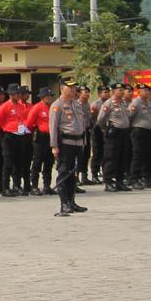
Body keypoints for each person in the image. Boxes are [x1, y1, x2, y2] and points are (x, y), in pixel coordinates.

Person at [50, 78, 90, 217]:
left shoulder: (77, 104)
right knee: (64, 173)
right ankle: (64, 204)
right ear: (62, 88)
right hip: (65, 144)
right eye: (70, 87)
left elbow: (82, 125)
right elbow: (53, 127)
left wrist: (83, 142)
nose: (74, 90)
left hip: (78, 143)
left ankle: (72, 201)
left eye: (74, 87)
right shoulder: (57, 105)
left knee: (74, 174)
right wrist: (54, 146)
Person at [97, 84, 131, 192]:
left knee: (122, 156)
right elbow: (100, 119)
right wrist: (105, 129)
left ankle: (119, 181)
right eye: (120, 90)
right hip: (114, 133)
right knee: (111, 157)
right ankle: (109, 181)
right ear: (113, 91)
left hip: (124, 132)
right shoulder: (109, 103)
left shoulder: (123, 103)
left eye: (123, 90)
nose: (122, 92)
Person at [127, 83, 151, 190]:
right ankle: (134, 178)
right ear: (139, 92)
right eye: (144, 90)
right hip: (139, 131)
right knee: (138, 155)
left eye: (147, 90)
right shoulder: (136, 103)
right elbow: (129, 117)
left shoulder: (150, 102)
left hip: (150, 131)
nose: (146, 92)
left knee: (150, 155)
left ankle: (148, 178)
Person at [26, 87, 55, 195]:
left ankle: (47, 186)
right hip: (40, 137)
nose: (50, 98)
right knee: (37, 162)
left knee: (49, 162)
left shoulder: (53, 107)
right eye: (47, 96)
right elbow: (29, 124)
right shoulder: (37, 107)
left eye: (51, 96)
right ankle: (34, 186)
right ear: (42, 97)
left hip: (51, 137)